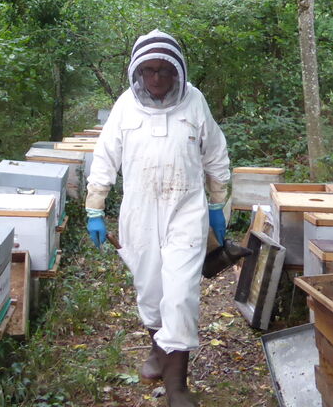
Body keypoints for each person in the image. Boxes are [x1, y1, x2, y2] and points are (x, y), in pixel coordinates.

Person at [85, 30, 230, 407]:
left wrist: (217, 205)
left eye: (164, 71)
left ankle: (177, 385)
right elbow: (104, 159)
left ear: (177, 71)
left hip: (186, 209)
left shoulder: (195, 102)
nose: (156, 79)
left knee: (180, 294)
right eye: (148, 71)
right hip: (140, 212)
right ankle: (157, 351)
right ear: (137, 72)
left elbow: (215, 154)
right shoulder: (125, 107)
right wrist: (94, 208)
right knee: (150, 291)